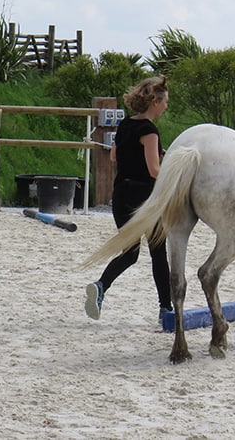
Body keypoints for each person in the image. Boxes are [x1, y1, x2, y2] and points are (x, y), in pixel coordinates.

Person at [85, 76, 173, 323]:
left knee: (130, 252)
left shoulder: (124, 125)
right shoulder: (149, 130)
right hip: (143, 196)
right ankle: (165, 309)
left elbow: (114, 156)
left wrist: (153, 153)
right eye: (165, 102)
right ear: (155, 101)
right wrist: (171, 168)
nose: (166, 106)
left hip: (121, 194)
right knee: (158, 252)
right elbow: (154, 171)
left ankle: (101, 286)